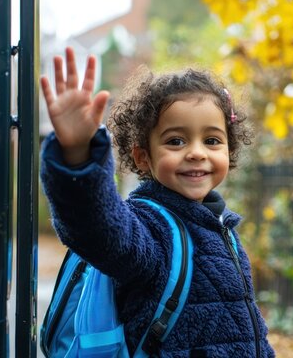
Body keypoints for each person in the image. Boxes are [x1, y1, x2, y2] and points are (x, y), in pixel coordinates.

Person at [39, 47, 275, 357]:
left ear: (228, 151)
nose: (196, 152)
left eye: (212, 140)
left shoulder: (223, 230)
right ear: (144, 157)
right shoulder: (150, 229)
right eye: (176, 141)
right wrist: (76, 157)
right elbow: (96, 228)